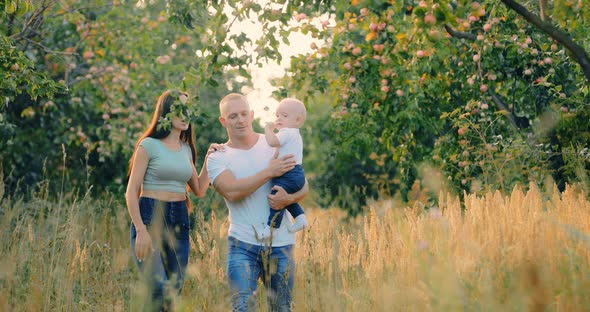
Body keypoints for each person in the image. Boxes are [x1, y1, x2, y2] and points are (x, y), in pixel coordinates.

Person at [207, 93, 309, 311]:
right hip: (242, 245)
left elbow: (303, 184)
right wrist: (268, 172)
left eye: (244, 114)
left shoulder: (274, 142)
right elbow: (232, 192)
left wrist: (288, 199)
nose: (240, 120)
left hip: (281, 244)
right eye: (233, 116)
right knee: (242, 307)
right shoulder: (218, 156)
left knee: (281, 307)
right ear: (223, 121)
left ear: (252, 115)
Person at [125, 89, 219, 311]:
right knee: (157, 289)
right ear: (166, 112)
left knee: (173, 292)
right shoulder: (148, 145)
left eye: (188, 109)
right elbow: (131, 192)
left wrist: (208, 158)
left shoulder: (186, 149)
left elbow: (199, 189)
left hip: (179, 218)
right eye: (180, 109)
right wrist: (140, 229)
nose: (186, 114)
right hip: (150, 215)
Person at [260, 98, 308, 240]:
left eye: (284, 116)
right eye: (277, 115)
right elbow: (279, 151)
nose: (279, 118)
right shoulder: (295, 135)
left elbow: (272, 141)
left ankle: (271, 228)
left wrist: (268, 130)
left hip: (289, 174)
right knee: (286, 196)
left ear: (298, 120)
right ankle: (300, 219)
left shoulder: (287, 132)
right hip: (296, 173)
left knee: (277, 196)